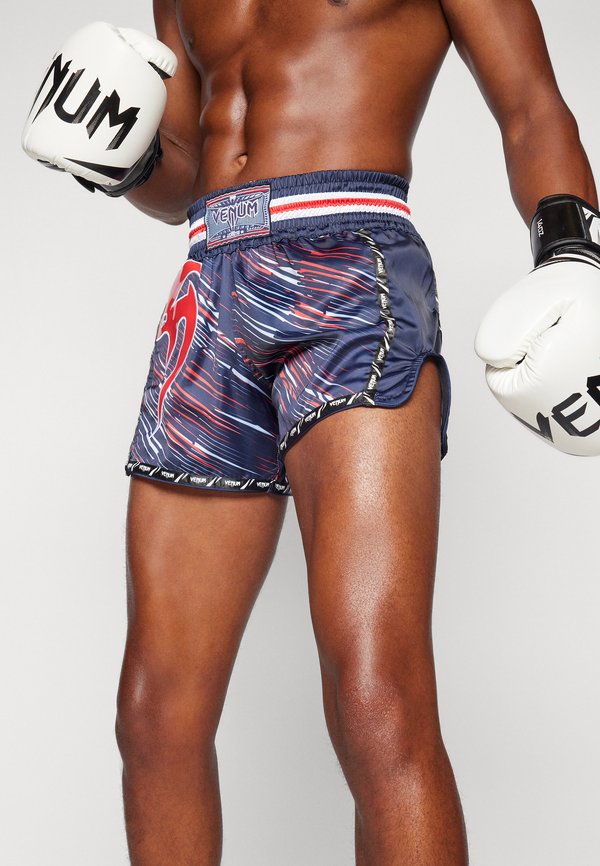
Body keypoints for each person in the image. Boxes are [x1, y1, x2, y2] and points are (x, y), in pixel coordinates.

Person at [21, 1, 599, 864]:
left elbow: (531, 104)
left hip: (351, 268)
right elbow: (186, 178)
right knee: (153, 717)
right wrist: (126, 156)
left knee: (376, 700)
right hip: (211, 284)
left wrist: (572, 255)